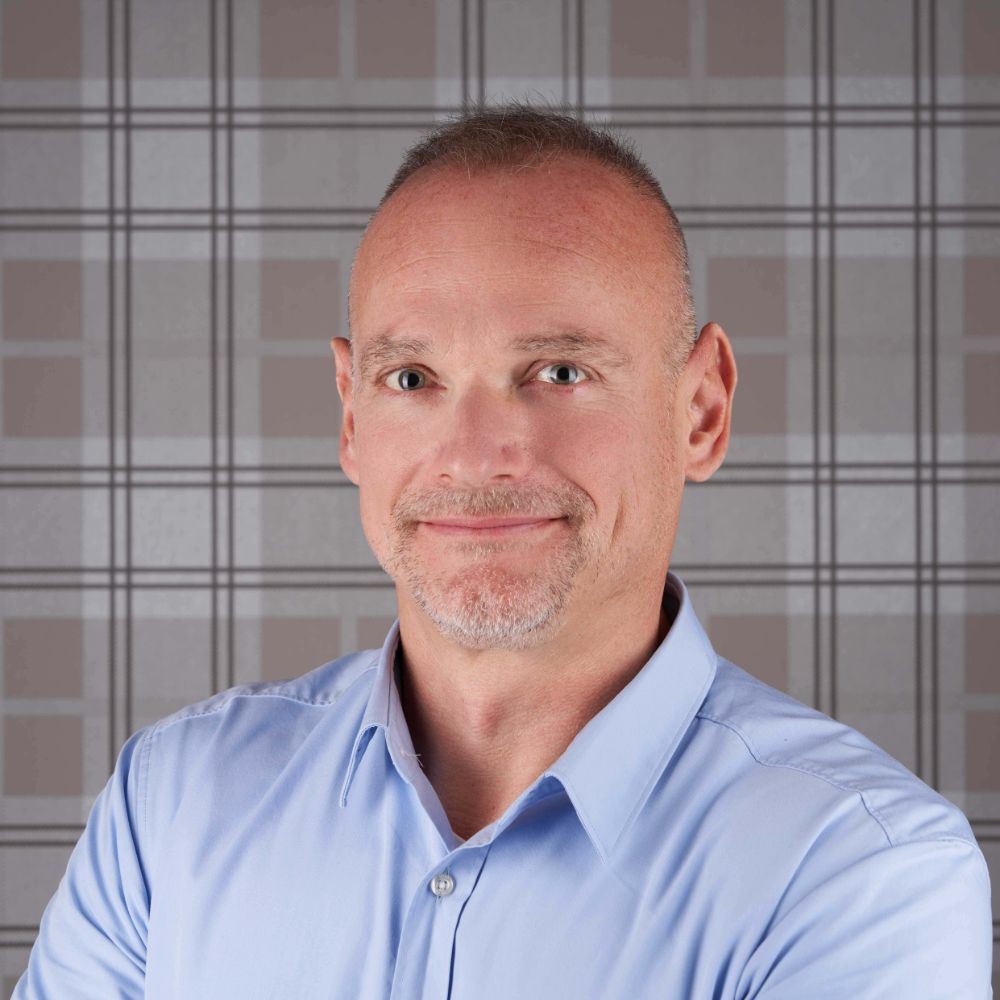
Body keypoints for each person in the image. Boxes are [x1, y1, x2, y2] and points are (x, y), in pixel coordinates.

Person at [14, 106, 992, 999]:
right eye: (412, 377)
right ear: (351, 419)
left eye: (559, 371)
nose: (475, 454)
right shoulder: (172, 805)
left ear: (700, 410)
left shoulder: (856, 870)